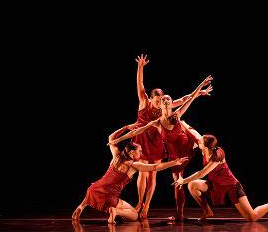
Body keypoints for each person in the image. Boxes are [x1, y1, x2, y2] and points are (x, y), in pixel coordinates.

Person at [111, 75, 213, 221]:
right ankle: (181, 214)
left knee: (178, 179)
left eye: (167, 99)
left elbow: (188, 99)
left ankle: (180, 214)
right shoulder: (157, 122)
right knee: (177, 182)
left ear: (171, 104)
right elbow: (136, 131)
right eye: (162, 100)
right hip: (173, 153)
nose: (164, 101)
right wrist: (119, 139)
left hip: (184, 149)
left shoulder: (176, 115)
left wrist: (200, 86)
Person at [133, 54, 213, 218]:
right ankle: (140, 202)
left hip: (158, 141)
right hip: (145, 140)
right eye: (158, 100)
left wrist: (199, 92)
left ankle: (147, 206)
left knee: (153, 173)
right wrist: (140, 67)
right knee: (142, 172)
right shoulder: (145, 102)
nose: (160, 102)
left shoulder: (169, 110)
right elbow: (140, 84)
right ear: (152, 98)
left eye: (162, 99)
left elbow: (186, 100)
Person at [71, 123, 188, 224]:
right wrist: (174, 162)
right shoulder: (133, 165)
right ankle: (115, 211)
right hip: (109, 196)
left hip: (94, 189)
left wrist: (126, 127)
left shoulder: (116, 156)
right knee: (134, 215)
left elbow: (111, 138)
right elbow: (155, 167)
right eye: (140, 151)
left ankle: (81, 207)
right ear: (132, 152)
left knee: (93, 189)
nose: (141, 154)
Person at [172, 121, 268, 222]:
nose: (198, 141)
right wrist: (181, 122)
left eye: (200, 142)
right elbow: (193, 131)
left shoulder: (217, 156)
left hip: (231, 186)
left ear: (205, 146)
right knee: (192, 185)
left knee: (252, 217)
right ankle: (208, 211)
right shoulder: (205, 148)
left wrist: (183, 180)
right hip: (215, 185)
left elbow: (202, 173)